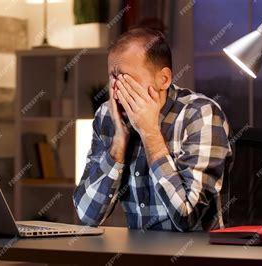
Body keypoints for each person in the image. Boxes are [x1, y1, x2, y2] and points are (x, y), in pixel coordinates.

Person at [73, 27, 233, 232]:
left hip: (199, 255)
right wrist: (118, 143)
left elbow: (187, 217)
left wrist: (150, 133)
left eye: (126, 79)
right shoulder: (108, 116)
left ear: (164, 80)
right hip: (141, 255)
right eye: (113, 78)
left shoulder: (200, 114)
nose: (117, 90)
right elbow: (87, 216)